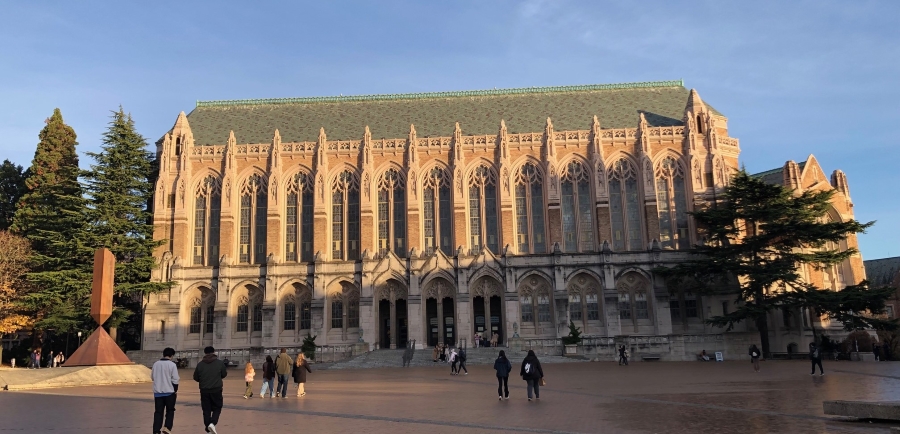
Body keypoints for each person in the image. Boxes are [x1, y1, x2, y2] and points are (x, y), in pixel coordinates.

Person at [193, 346, 227, 434]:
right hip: (216, 389)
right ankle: (212, 423)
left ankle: (208, 428)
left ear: (205, 353)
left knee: (206, 409)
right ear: (213, 352)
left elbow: (196, 377)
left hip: (204, 390)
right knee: (217, 407)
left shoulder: (200, 364)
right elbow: (224, 374)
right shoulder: (219, 363)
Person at [152, 347, 180, 434]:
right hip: (169, 392)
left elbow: (152, 377)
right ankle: (167, 427)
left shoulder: (156, 364)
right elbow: (175, 379)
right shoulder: (172, 365)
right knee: (170, 411)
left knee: (158, 412)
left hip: (158, 393)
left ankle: (156, 430)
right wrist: (175, 389)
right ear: (171, 356)